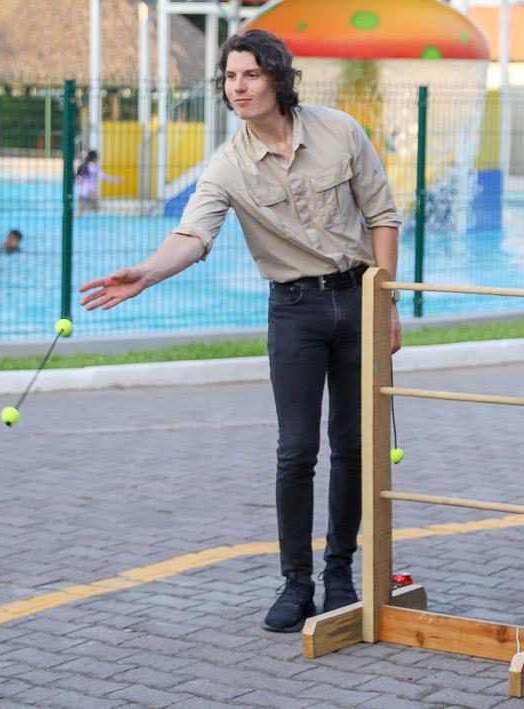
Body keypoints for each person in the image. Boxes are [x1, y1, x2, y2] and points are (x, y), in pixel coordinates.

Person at [79, 30, 402, 633]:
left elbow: (382, 216)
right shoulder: (228, 164)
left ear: (278, 77)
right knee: (296, 450)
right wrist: (147, 272)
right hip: (295, 311)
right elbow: (192, 235)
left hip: (360, 299)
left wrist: (387, 304)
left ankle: (340, 574)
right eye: (230, 77)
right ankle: (296, 583)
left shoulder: (340, 131)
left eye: (250, 74)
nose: (238, 87)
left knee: (354, 445)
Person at [74, 150, 122, 216]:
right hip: (91, 190)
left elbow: (77, 179)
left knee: (80, 212)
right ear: (94, 158)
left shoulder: (82, 166)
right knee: (96, 210)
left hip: (81, 190)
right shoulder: (94, 167)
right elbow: (104, 176)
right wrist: (116, 180)